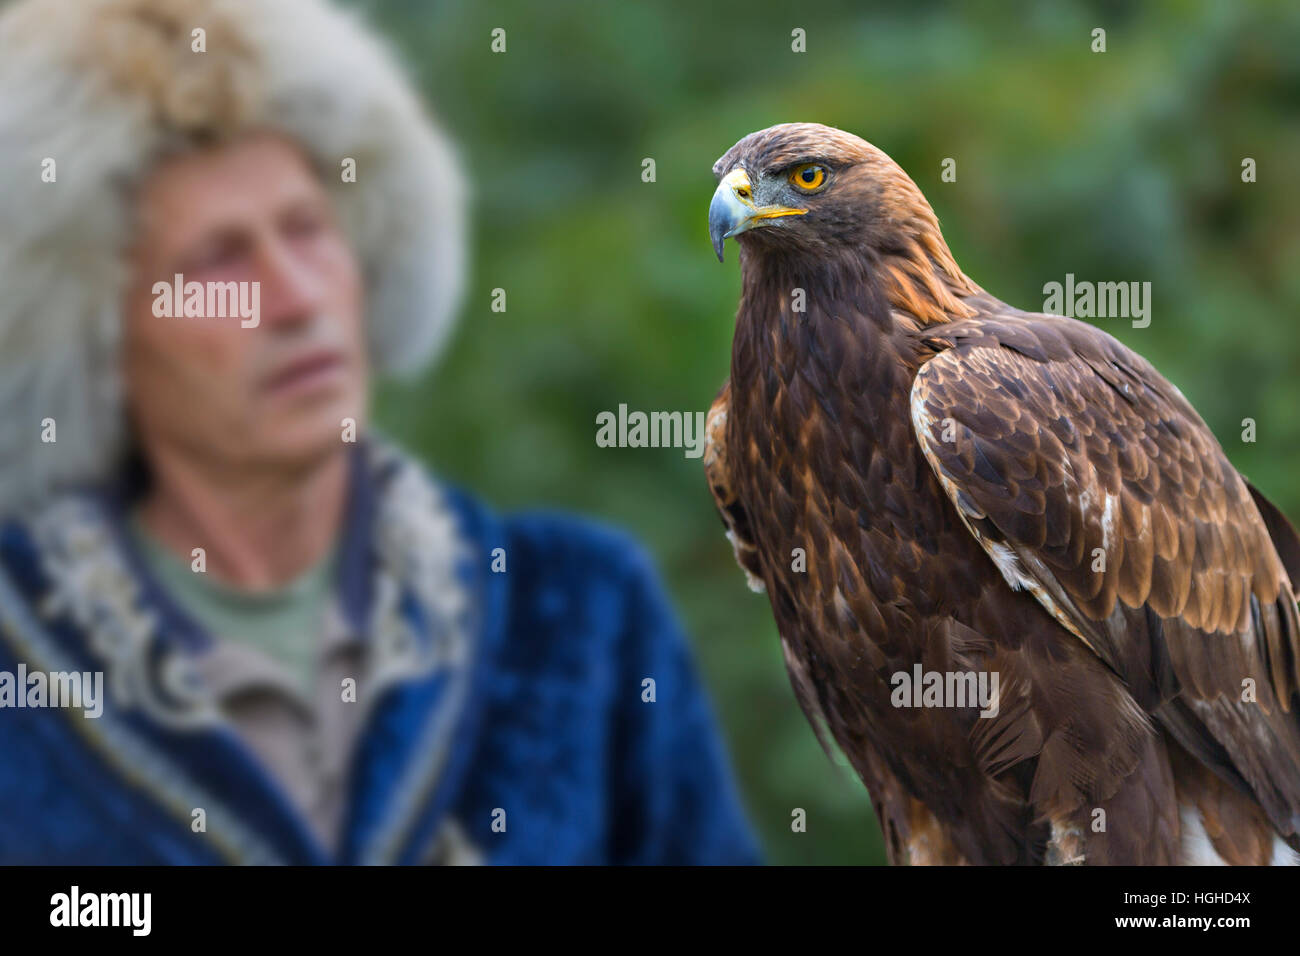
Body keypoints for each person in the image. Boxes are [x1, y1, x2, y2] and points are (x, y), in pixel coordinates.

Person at [0, 0, 760, 865]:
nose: (295, 299)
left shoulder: (581, 615)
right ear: (90, 331)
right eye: (216, 259)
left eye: (307, 229)